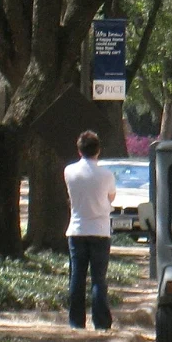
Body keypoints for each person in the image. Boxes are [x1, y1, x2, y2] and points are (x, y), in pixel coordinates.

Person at [64, 130, 117, 331]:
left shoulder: (69, 171)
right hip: (100, 230)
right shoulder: (106, 174)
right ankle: (101, 321)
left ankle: (76, 321)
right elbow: (111, 197)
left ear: (79, 150)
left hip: (77, 229)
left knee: (77, 276)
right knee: (98, 278)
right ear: (98, 150)